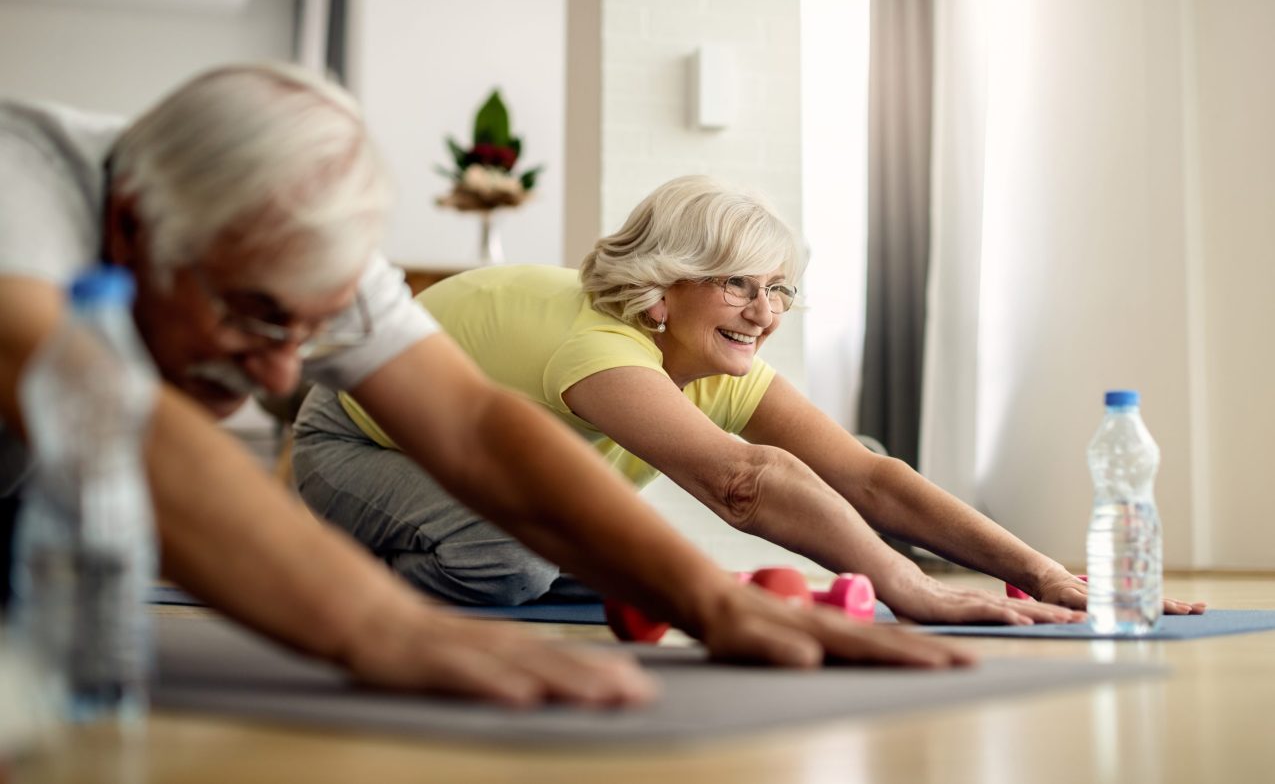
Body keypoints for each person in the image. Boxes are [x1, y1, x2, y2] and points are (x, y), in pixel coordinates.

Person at [0, 65, 976, 711]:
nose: (284, 374)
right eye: (257, 318)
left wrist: (703, 600)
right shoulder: (21, 196)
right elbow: (115, 424)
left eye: (313, 330)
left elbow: (473, 427)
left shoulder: (304, 248)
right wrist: (379, 624)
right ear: (127, 227)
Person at [292, 176, 1203, 622]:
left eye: (778, 289)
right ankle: (326, 573)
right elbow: (744, 484)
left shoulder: (710, 357)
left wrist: (1043, 571)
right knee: (511, 564)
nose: (764, 314)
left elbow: (870, 481)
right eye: (736, 285)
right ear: (666, 283)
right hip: (359, 441)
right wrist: (908, 588)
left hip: (477, 461)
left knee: (605, 552)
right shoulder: (602, 345)